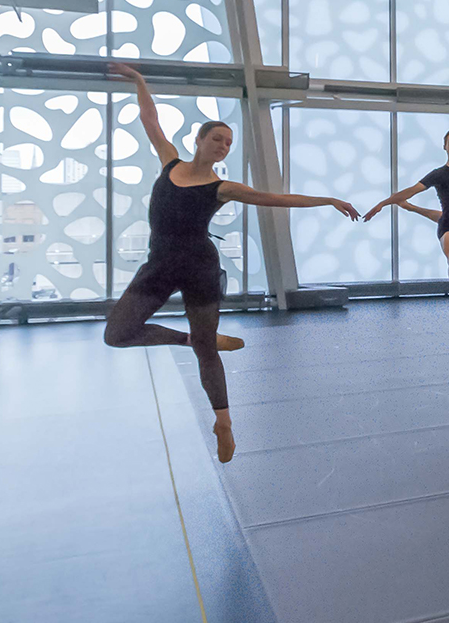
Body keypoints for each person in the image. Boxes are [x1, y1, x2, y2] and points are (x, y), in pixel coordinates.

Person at [101, 63, 361, 463]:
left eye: (228, 144)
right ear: (199, 139)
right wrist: (139, 81)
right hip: (159, 266)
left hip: (200, 268)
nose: (223, 147)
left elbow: (277, 199)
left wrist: (326, 200)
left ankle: (224, 423)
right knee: (117, 334)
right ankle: (188, 338)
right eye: (218, 139)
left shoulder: (223, 188)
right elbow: (150, 121)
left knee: (208, 352)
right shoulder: (169, 162)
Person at [364, 95, 449, 304]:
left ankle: (410, 208)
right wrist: (383, 203)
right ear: (444, 146)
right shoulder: (438, 174)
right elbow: (412, 189)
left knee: (441, 215)